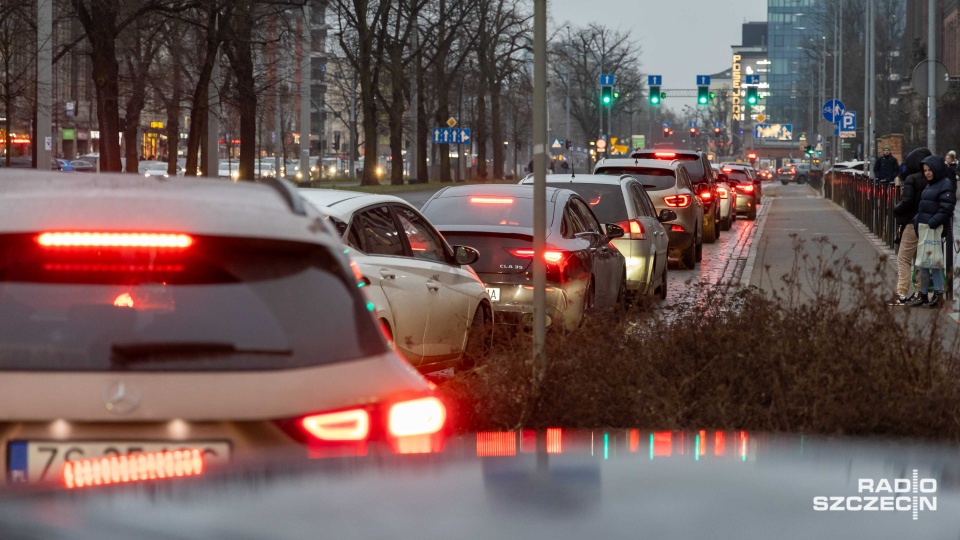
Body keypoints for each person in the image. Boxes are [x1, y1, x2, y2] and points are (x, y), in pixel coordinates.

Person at [907, 155, 957, 308]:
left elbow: (946, 208)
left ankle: (937, 293)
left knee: (933, 263)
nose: (927, 173)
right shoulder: (931, 184)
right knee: (923, 263)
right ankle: (923, 294)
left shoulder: (945, 184)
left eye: (929, 170)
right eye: (925, 171)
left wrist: (932, 223)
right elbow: (925, 206)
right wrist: (917, 220)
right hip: (925, 228)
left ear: (936, 169)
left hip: (933, 230)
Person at [891, 147, 932, 304]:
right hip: (927, 224)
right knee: (920, 261)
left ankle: (901, 292)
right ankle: (920, 293)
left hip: (911, 223)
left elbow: (907, 202)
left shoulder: (912, 179)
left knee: (903, 259)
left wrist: (896, 209)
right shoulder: (931, 179)